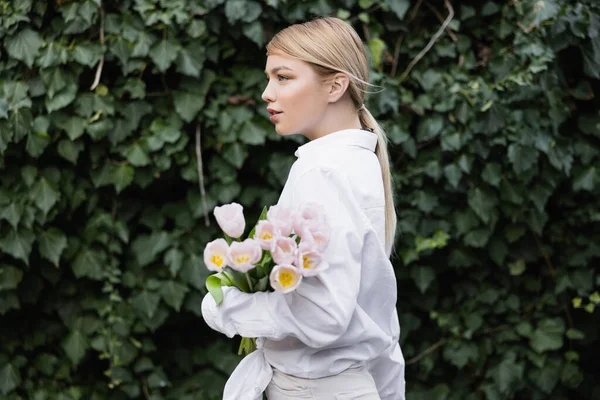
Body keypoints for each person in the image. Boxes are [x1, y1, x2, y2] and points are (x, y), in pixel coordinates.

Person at [201, 16, 405, 400]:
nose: (266, 93)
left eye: (283, 77)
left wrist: (226, 306)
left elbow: (325, 314)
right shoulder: (356, 162)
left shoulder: (323, 171)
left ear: (336, 85)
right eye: (269, 78)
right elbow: (379, 313)